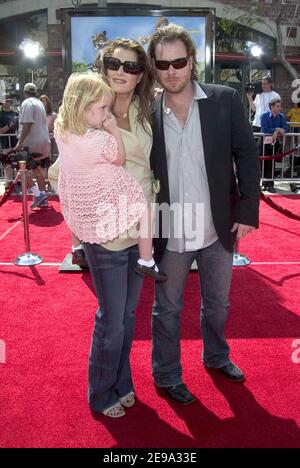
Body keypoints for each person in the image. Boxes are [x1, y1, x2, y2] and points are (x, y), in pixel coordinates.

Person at [148, 23, 261, 405]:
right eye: (162, 64)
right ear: (154, 67)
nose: (172, 71)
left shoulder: (224, 99)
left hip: (218, 225)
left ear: (192, 61)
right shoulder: (146, 112)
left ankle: (216, 356)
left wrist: (247, 209)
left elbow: (246, 155)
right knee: (167, 309)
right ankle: (166, 374)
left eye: (179, 61)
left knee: (218, 304)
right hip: (168, 226)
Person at [55, 38, 157, 417]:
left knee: (129, 318)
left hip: (141, 224)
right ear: (103, 64)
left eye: (131, 66)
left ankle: (122, 381)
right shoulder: (86, 112)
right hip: (106, 229)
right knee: (112, 320)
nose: (121, 71)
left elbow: (149, 165)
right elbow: (63, 169)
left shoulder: (148, 108)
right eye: (115, 63)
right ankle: (101, 392)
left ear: (140, 73)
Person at [15, 83, 51, 208]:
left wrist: (20, 143)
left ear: (25, 92)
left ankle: (38, 195)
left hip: (31, 142)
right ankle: (42, 196)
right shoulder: (40, 103)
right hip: (44, 142)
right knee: (36, 169)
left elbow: (27, 124)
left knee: (21, 170)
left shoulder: (27, 103)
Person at [260, 98, 289, 193]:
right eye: (278, 106)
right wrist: (276, 129)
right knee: (263, 163)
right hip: (264, 142)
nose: (280, 108)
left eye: (280, 106)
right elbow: (264, 129)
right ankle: (264, 184)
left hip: (275, 142)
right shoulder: (264, 116)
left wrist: (278, 131)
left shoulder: (281, 117)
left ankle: (270, 184)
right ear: (272, 107)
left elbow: (285, 129)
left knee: (272, 163)